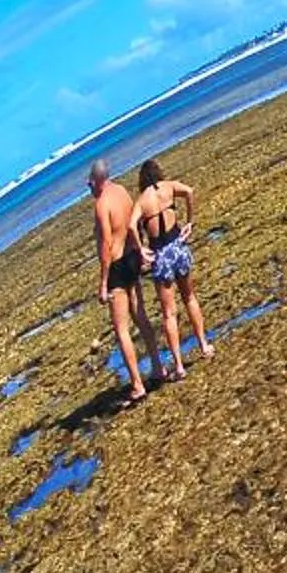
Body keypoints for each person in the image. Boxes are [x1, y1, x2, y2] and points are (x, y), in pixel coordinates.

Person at [134, 159, 211, 375]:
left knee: (169, 313)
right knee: (190, 298)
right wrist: (190, 222)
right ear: (158, 173)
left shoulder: (141, 201)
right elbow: (189, 191)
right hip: (178, 246)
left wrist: (140, 249)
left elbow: (132, 225)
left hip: (160, 254)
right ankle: (204, 345)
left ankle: (178, 366)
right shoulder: (168, 187)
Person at [88, 160, 148, 403]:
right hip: (132, 257)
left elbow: (106, 246)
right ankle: (157, 366)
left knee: (122, 329)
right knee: (140, 315)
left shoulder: (101, 204)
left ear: (96, 181)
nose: (88, 187)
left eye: (89, 183)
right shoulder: (122, 191)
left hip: (117, 267)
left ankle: (137, 384)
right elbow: (135, 222)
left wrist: (103, 283)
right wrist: (140, 250)